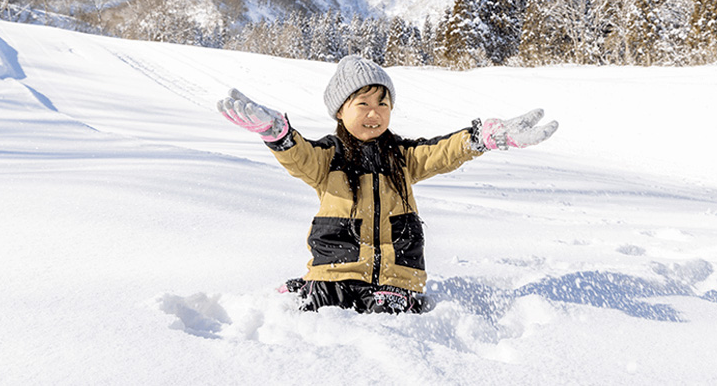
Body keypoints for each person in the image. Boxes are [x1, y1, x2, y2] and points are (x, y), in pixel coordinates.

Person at [218, 55, 558, 314]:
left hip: (398, 278)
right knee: (319, 311)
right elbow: (299, 155)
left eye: (383, 103)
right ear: (340, 111)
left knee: (388, 315)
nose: (374, 112)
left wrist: (481, 138)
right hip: (335, 273)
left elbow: (442, 152)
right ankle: (311, 289)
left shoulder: (402, 156)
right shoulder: (327, 157)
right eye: (362, 103)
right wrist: (277, 134)